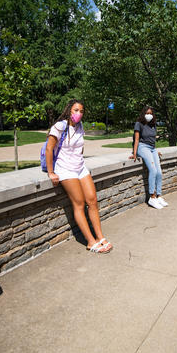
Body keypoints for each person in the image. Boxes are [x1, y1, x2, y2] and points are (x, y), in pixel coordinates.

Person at [46, 99, 113, 254]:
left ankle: (100, 237)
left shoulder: (80, 126)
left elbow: (79, 148)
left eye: (81, 111)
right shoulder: (59, 126)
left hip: (80, 168)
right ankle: (91, 241)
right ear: (69, 110)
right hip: (65, 170)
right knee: (79, 204)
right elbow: (49, 149)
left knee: (93, 201)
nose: (79, 113)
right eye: (76, 110)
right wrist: (51, 172)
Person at [130, 106, 167, 209]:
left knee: (159, 172)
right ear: (143, 114)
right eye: (147, 113)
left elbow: (152, 140)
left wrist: (155, 150)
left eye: (151, 113)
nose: (149, 115)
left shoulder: (153, 125)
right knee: (153, 170)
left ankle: (159, 196)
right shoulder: (139, 124)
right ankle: (152, 197)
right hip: (142, 147)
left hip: (152, 148)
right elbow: (136, 139)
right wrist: (134, 152)